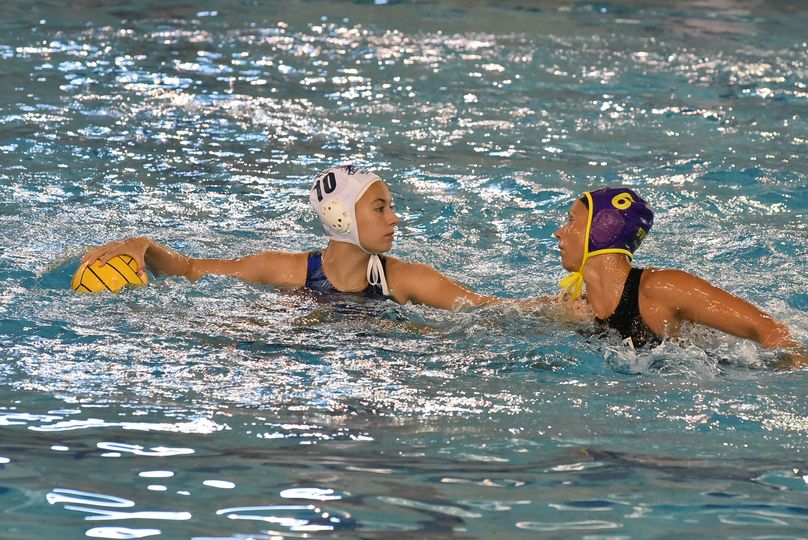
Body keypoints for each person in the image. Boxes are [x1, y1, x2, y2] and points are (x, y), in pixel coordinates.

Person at [82, 165, 495, 311]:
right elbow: (192, 269)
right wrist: (144, 245)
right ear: (339, 216)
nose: (394, 218)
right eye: (379, 207)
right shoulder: (284, 269)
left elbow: (489, 309)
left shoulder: (406, 279)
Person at [553, 187, 806, 368]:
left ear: (603, 228)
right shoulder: (577, 308)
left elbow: (770, 330)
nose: (559, 232)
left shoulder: (661, 289)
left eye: (571, 221)